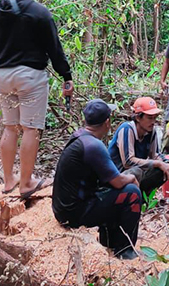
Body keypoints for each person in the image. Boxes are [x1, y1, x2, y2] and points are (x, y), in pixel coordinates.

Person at [0, 0, 75, 199]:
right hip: (30, 77)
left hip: (3, 75)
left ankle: (9, 181)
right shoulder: (40, 12)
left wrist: (0, 67)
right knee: (30, 127)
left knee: (9, 126)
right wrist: (66, 76)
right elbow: (54, 49)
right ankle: (26, 182)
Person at [52, 99, 142, 260]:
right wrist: (132, 178)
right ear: (107, 122)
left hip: (65, 209)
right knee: (132, 193)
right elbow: (118, 182)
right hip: (74, 213)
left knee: (115, 191)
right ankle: (124, 249)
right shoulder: (93, 145)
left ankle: (110, 241)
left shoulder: (80, 137)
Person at [107, 97, 169, 195]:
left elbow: (154, 155)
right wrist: (158, 163)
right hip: (118, 176)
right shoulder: (127, 129)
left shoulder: (151, 132)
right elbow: (128, 162)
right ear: (138, 118)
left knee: (167, 165)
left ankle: (143, 197)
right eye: (149, 118)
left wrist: (166, 163)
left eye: (155, 118)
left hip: (136, 173)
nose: (153, 122)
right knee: (137, 171)